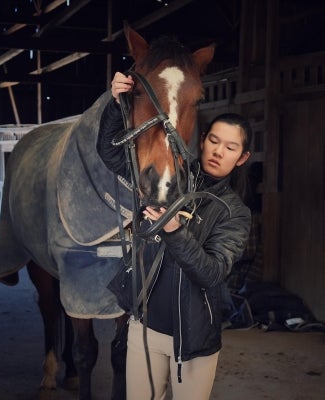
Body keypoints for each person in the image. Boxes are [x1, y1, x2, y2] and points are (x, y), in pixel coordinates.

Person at [97, 72, 252, 400]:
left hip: (193, 340)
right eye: (214, 140)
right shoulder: (170, 175)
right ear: (201, 139)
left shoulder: (234, 213)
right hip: (144, 327)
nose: (218, 151)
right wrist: (116, 104)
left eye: (230, 147)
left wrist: (174, 230)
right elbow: (112, 154)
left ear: (242, 158)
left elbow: (211, 273)